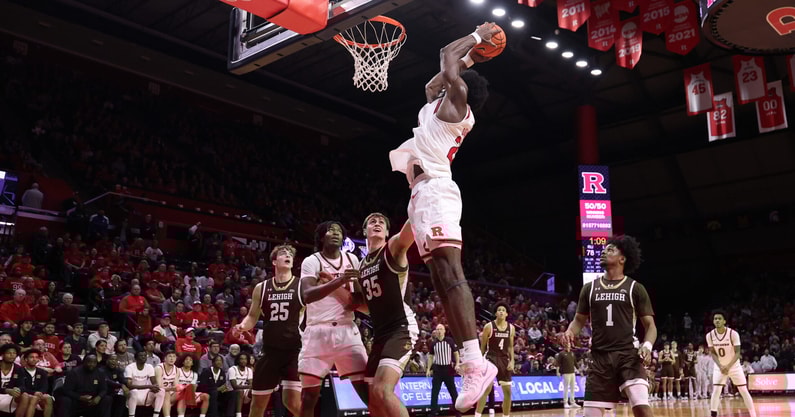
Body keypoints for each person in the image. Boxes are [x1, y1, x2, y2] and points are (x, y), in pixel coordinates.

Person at [387, 22, 501, 412]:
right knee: (439, 278)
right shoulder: (436, 105)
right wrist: (473, 56)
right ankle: (471, 359)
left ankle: (474, 361)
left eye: (456, 80)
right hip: (420, 196)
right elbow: (434, 81)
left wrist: (476, 35)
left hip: (436, 190)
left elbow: (446, 58)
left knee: (452, 276)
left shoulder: (458, 107)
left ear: (464, 90)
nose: (446, 81)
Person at [562, 235, 657, 417]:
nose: (604, 252)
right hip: (599, 358)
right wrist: (569, 332)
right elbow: (579, 320)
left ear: (622, 259)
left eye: (611, 250)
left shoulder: (635, 288)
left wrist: (647, 346)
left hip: (628, 355)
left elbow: (650, 325)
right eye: (604, 250)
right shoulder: (589, 288)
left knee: (642, 408)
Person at [296, 222, 369, 417]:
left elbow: (359, 300)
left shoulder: (352, 259)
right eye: (331, 230)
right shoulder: (312, 261)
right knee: (309, 397)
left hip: (347, 330)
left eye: (339, 231)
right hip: (317, 331)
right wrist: (340, 280)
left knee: (366, 391)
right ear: (321, 237)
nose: (336, 233)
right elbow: (307, 295)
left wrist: (339, 286)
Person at [355, 213, 417, 417]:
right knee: (373, 400)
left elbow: (408, 233)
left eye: (382, 221)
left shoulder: (392, 248)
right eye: (372, 221)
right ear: (365, 231)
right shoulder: (361, 265)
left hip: (401, 327)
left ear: (388, 232)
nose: (377, 223)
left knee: (382, 389)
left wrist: (420, 201)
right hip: (380, 333)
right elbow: (365, 306)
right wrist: (333, 284)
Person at [233, 244, 302, 417]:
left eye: (290, 254)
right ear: (274, 261)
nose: (287, 255)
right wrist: (242, 326)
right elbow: (252, 316)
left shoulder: (301, 285)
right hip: (270, 351)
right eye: (283, 253)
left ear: (293, 262)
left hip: (294, 351)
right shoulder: (261, 288)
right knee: (257, 406)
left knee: (292, 402)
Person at [706, 310, 757, 417]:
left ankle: (753, 414)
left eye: (719, 318)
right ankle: (713, 415)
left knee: (743, 390)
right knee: (716, 390)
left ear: (724, 321)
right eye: (715, 319)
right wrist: (720, 366)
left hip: (734, 366)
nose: (717, 320)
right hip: (719, 367)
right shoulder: (709, 336)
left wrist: (728, 366)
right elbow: (713, 353)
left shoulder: (733, 334)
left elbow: (738, 352)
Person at [474, 302, 515, 417]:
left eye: (503, 310)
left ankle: (506, 416)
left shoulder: (511, 328)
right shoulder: (489, 326)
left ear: (506, 314)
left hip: (504, 359)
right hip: (490, 358)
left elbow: (510, 346)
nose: (501, 311)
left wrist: (512, 361)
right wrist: (479, 362)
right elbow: (482, 347)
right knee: (486, 389)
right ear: (496, 313)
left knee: (507, 392)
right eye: (499, 310)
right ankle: (477, 415)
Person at [427, 325, 461, 417]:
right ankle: (433, 412)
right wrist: (428, 369)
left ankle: (458, 412)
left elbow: (456, 353)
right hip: (437, 369)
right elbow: (430, 357)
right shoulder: (433, 343)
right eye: (437, 329)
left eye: (441, 329)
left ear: (444, 331)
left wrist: (457, 363)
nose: (439, 331)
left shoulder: (449, 341)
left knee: (453, 391)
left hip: (448, 369)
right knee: (435, 392)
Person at [14, 349, 54, 417]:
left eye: (36, 357)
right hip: (24, 395)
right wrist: (34, 393)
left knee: (48, 398)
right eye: (31, 357)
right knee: (34, 398)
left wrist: (40, 393)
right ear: (26, 359)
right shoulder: (20, 371)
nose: (34, 359)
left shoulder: (42, 372)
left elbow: (45, 386)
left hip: (38, 394)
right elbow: (21, 387)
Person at [125, 350, 160, 417]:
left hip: (146, 394)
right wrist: (149, 386)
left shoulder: (149, 367)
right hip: (133, 393)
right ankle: (131, 415)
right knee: (134, 392)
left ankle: (156, 415)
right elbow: (129, 386)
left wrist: (155, 387)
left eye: (145, 356)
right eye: (141, 356)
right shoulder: (130, 367)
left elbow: (154, 383)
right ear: (136, 358)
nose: (143, 357)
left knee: (161, 391)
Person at [0, 344, 29, 417]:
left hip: (10, 395)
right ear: (2, 355)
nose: (12, 355)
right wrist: (6, 390)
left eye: (14, 353)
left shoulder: (18, 369)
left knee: (25, 396)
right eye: (9, 353)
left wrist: (18, 389)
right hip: (4, 392)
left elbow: (23, 386)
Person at [228, 353, 252, 417]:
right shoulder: (232, 369)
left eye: (245, 359)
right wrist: (248, 386)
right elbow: (234, 386)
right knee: (240, 391)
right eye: (241, 359)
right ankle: (238, 415)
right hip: (231, 391)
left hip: (244, 390)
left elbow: (251, 384)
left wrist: (249, 387)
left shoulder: (249, 370)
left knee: (254, 391)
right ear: (238, 360)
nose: (243, 361)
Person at [155, 351, 178, 417]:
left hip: (169, 392)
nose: (172, 358)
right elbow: (159, 386)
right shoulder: (159, 368)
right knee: (166, 393)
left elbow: (176, 386)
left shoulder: (176, 369)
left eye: (174, 356)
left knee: (184, 392)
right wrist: (172, 389)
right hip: (157, 392)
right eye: (170, 356)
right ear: (165, 358)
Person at [556, 344, 579, 409]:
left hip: (572, 373)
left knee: (572, 388)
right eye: (566, 346)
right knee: (566, 388)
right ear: (564, 346)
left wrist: (579, 369)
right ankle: (565, 403)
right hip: (565, 373)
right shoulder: (561, 353)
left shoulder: (572, 353)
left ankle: (572, 402)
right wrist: (557, 371)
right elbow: (558, 363)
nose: (568, 346)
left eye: (568, 345)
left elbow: (575, 362)